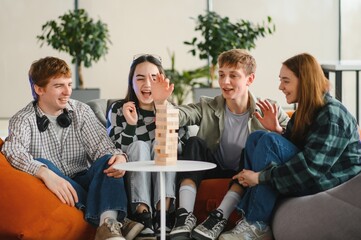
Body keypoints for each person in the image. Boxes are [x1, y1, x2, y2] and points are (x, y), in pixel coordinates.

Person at [218, 53, 361, 240]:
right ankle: (250, 221)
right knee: (257, 137)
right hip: (311, 172)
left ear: (305, 81)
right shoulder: (306, 108)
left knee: (268, 141)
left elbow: (311, 169)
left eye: (286, 81)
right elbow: (296, 147)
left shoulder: (332, 114)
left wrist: (260, 177)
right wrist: (277, 130)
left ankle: (257, 224)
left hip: (328, 180)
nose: (280, 87)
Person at [150, 49, 290, 240]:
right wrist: (161, 102)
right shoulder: (208, 105)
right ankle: (184, 215)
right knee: (194, 142)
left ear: (250, 79)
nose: (225, 82)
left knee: (252, 146)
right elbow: (179, 116)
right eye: (222, 75)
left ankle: (219, 217)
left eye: (233, 76)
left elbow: (292, 145)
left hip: (244, 172)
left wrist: (276, 129)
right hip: (213, 167)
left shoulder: (269, 109)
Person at [1, 57, 144, 240]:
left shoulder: (81, 111)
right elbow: (12, 151)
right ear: (39, 89)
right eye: (59, 86)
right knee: (42, 162)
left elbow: (102, 146)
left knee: (107, 160)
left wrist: (119, 157)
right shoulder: (22, 119)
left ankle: (107, 226)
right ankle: (117, 221)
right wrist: (45, 173)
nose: (67, 92)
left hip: (83, 179)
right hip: (52, 186)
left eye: (69, 84)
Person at [107, 54, 189, 239]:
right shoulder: (119, 109)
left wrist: (161, 108)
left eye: (154, 78)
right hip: (132, 184)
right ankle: (142, 214)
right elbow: (112, 150)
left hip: (165, 183)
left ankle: (164, 213)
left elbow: (181, 149)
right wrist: (130, 126)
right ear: (132, 82)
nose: (147, 84)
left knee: (165, 143)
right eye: (140, 78)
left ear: (162, 82)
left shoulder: (172, 110)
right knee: (138, 146)